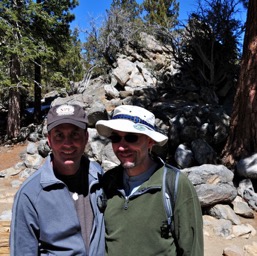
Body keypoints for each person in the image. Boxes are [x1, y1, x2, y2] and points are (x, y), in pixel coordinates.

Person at [96, 105, 203, 256]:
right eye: (116, 138)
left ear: (150, 141)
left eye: (131, 137)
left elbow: (192, 250)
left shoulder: (175, 184)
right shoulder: (108, 181)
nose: (122, 147)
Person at [10, 104, 105, 256]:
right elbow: (22, 250)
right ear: (49, 140)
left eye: (75, 134)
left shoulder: (99, 177)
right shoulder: (30, 194)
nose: (67, 144)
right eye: (59, 135)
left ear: (86, 137)